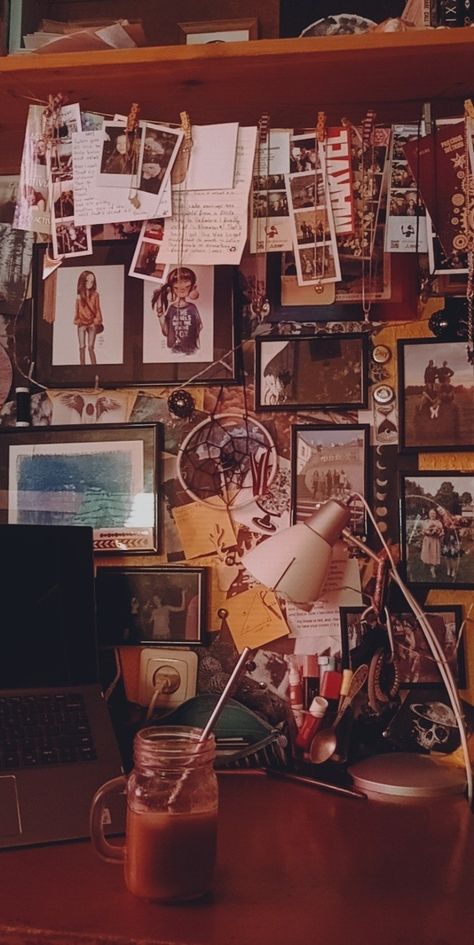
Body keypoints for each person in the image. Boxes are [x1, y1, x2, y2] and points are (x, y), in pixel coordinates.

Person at [152, 267, 202, 356]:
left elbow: (199, 327)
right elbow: (166, 332)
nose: (182, 290)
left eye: (186, 286)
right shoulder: (172, 308)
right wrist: (159, 308)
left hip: (191, 350)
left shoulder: (192, 308)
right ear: (172, 289)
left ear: (193, 287)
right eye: (176, 287)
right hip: (173, 351)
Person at [74, 270, 103, 366]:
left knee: (91, 347)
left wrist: (96, 321)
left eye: (92, 281)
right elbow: (77, 311)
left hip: (92, 323)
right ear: (83, 282)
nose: (90, 283)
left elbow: (97, 309)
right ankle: (82, 368)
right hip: (82, 323)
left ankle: (94, 368)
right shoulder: (79, 297)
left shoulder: (95, 295)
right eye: (87, 281)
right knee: (82, 348)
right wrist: (77, 320)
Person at [420, 508, 444, 579]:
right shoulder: (426, 521)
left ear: (436, 514)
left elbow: (441, 532)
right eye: (431, 513)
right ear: (429, 514)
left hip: (435, 540)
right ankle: (427, 564)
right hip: (427, 540)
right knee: (427, 553)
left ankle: (432, 569)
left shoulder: (438, 522)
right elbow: (423, 531)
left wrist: (439, 533)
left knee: (434, 553)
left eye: (434, 513)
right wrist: (426, 532)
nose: (432, 515)